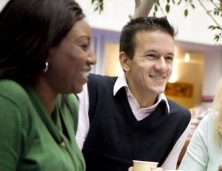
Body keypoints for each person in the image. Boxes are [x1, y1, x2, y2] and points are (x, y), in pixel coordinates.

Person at [76, 16, 191, 170]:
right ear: (125, 61)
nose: (163, 66)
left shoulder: (179, 118)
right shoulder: (91, 90)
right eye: (151, 56)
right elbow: (67, 163)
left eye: (169, 58)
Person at [0, 0, 95, 170]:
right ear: (44, 47)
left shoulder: (67, 105)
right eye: (83, 46)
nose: (92, 59)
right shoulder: (9, 100)